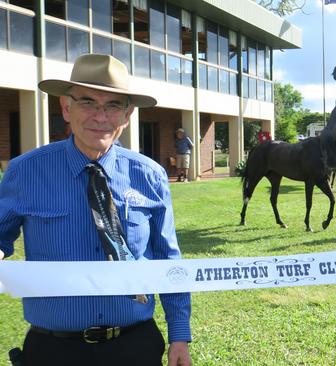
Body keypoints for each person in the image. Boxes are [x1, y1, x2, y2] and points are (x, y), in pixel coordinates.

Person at [0, 54, 192, 366]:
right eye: (87, 102)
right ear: (66, 108)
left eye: (113, 105)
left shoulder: (150, 175)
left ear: (127, 115)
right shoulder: (26, 172)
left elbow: (167, 260)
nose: (100, 116)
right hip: (53, 351)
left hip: (135, 346)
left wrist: (179, 335)